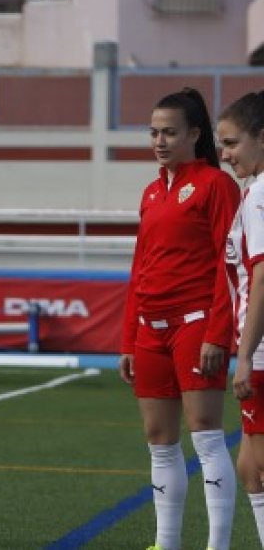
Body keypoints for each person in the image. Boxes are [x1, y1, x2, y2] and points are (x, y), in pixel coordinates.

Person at [118, 87, 239, 550]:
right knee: (158, 440)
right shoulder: (151, 191)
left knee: (206, 436)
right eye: (153, 132)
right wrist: (128, 340)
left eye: (169, 132)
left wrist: (217, 333)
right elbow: (140, 268)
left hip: (196, 324)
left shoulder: (215, 184)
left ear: (194, 134)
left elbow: (228, 267)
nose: (159, 141)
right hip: (151, 330)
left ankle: (217, 546)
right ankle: (166, 543)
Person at [218, 90, 264, 544]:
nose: (225, 154)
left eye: (232, 143)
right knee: (249, 468)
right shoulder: (254, 191)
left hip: (263, 352)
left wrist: (246, 355)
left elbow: (263, 278)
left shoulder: (258, 196)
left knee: (261, 466)